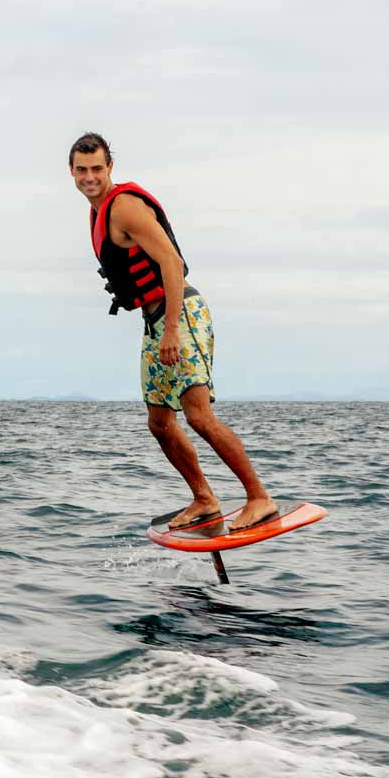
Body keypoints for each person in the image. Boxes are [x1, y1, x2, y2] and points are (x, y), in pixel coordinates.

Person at [69, 132, 278, 531]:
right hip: (155, 321)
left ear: (110, 167)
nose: (90, 177)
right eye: (82, 170)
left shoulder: (125, 207)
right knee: (160, 422)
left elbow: (171, 262)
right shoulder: (97, 211)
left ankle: (259, 497)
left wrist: (170, 333)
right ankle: (204, 498)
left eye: (97, 168)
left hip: (180, 316)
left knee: (198, 416)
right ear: (72, 172)